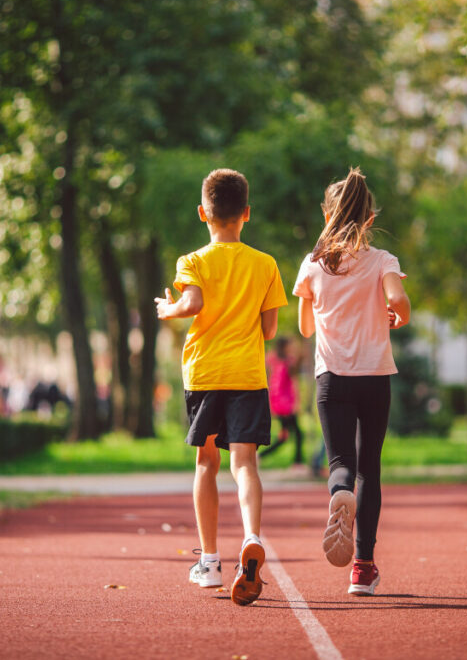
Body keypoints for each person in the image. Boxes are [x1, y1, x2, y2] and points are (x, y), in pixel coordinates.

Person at [155, 168, 286, 606]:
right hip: (248, 376)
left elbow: (192, 304)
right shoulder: (266, 264)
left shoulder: (192, 261)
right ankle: (252, 536)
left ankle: (209, 562)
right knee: (245, 463)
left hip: (206, 375)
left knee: (206, 463)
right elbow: (269, 330)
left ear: (202, 213)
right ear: (246, 213)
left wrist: (167, 309)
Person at [294, 167, 410, 596]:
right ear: (370, 219)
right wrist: (398, 312)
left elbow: (306, 328)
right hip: (375, 377)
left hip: (332, 379)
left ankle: (338, 490)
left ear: (328, 214)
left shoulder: (312, 265)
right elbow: (397, 300)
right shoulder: (383, 261)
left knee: (341, 462)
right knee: (371, 469)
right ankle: (362, 567)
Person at [259, 337, 305, 466]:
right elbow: (294, 382)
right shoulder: (289, 362)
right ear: (285, 346)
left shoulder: (272, 359)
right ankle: (298, 462)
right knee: (295, 434)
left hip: (277, 401)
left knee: (285, 435)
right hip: (286, 403)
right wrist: (297, 402)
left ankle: (260, 456)